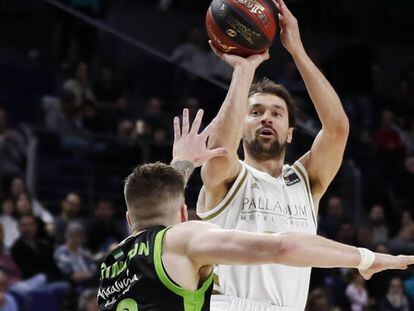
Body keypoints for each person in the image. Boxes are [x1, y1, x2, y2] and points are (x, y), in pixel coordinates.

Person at [97, 109, 414, 311]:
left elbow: (156, 199)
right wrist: (367, 258)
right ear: (184, 215)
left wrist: (180, 165)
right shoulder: (183, 238)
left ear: (128, 220)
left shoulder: (111, 264)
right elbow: (284, 246)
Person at [196, 0, 350, 309]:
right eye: (256, 112)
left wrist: (297, 50)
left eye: (277, 113)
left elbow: (337, 129)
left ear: (291, 132)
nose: (267, 118)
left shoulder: (307, 182)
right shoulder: (228, 177)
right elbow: (220, 151)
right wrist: (244, 70)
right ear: (240, 126)